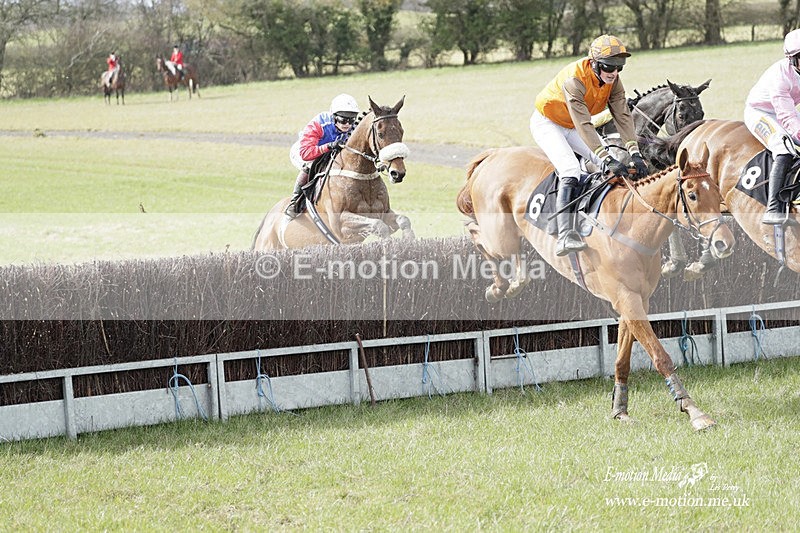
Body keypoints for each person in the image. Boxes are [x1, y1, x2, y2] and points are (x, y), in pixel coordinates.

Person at [531, 34, 649, 256]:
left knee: (611, 162)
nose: (613, 73)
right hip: (548, 123)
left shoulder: (613, 80)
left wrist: (635, 153)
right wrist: (606, 158)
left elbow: (622, 115)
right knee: (571, 169)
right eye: (608, 67)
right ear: (594, 63)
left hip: (572, 124)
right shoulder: (574, 80)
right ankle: (565, 236)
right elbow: (584, 124)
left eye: (619, 68)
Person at [744, 29, 800, 225]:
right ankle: (773, 208)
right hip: (761, 112)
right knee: (783, 148)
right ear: (792, 60)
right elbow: (787, 116)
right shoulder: (781, 77)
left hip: (786, 110)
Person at [284, 93, 360, 221]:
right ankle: (295, 202)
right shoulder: (319, 124)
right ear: (334, 116)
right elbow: (306, 153)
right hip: (304, 152)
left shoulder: (353, 127)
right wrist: (329, 146)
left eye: (351, 120)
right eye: (343, 120)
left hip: (328, 152)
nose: (347, 124)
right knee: (310, 166)